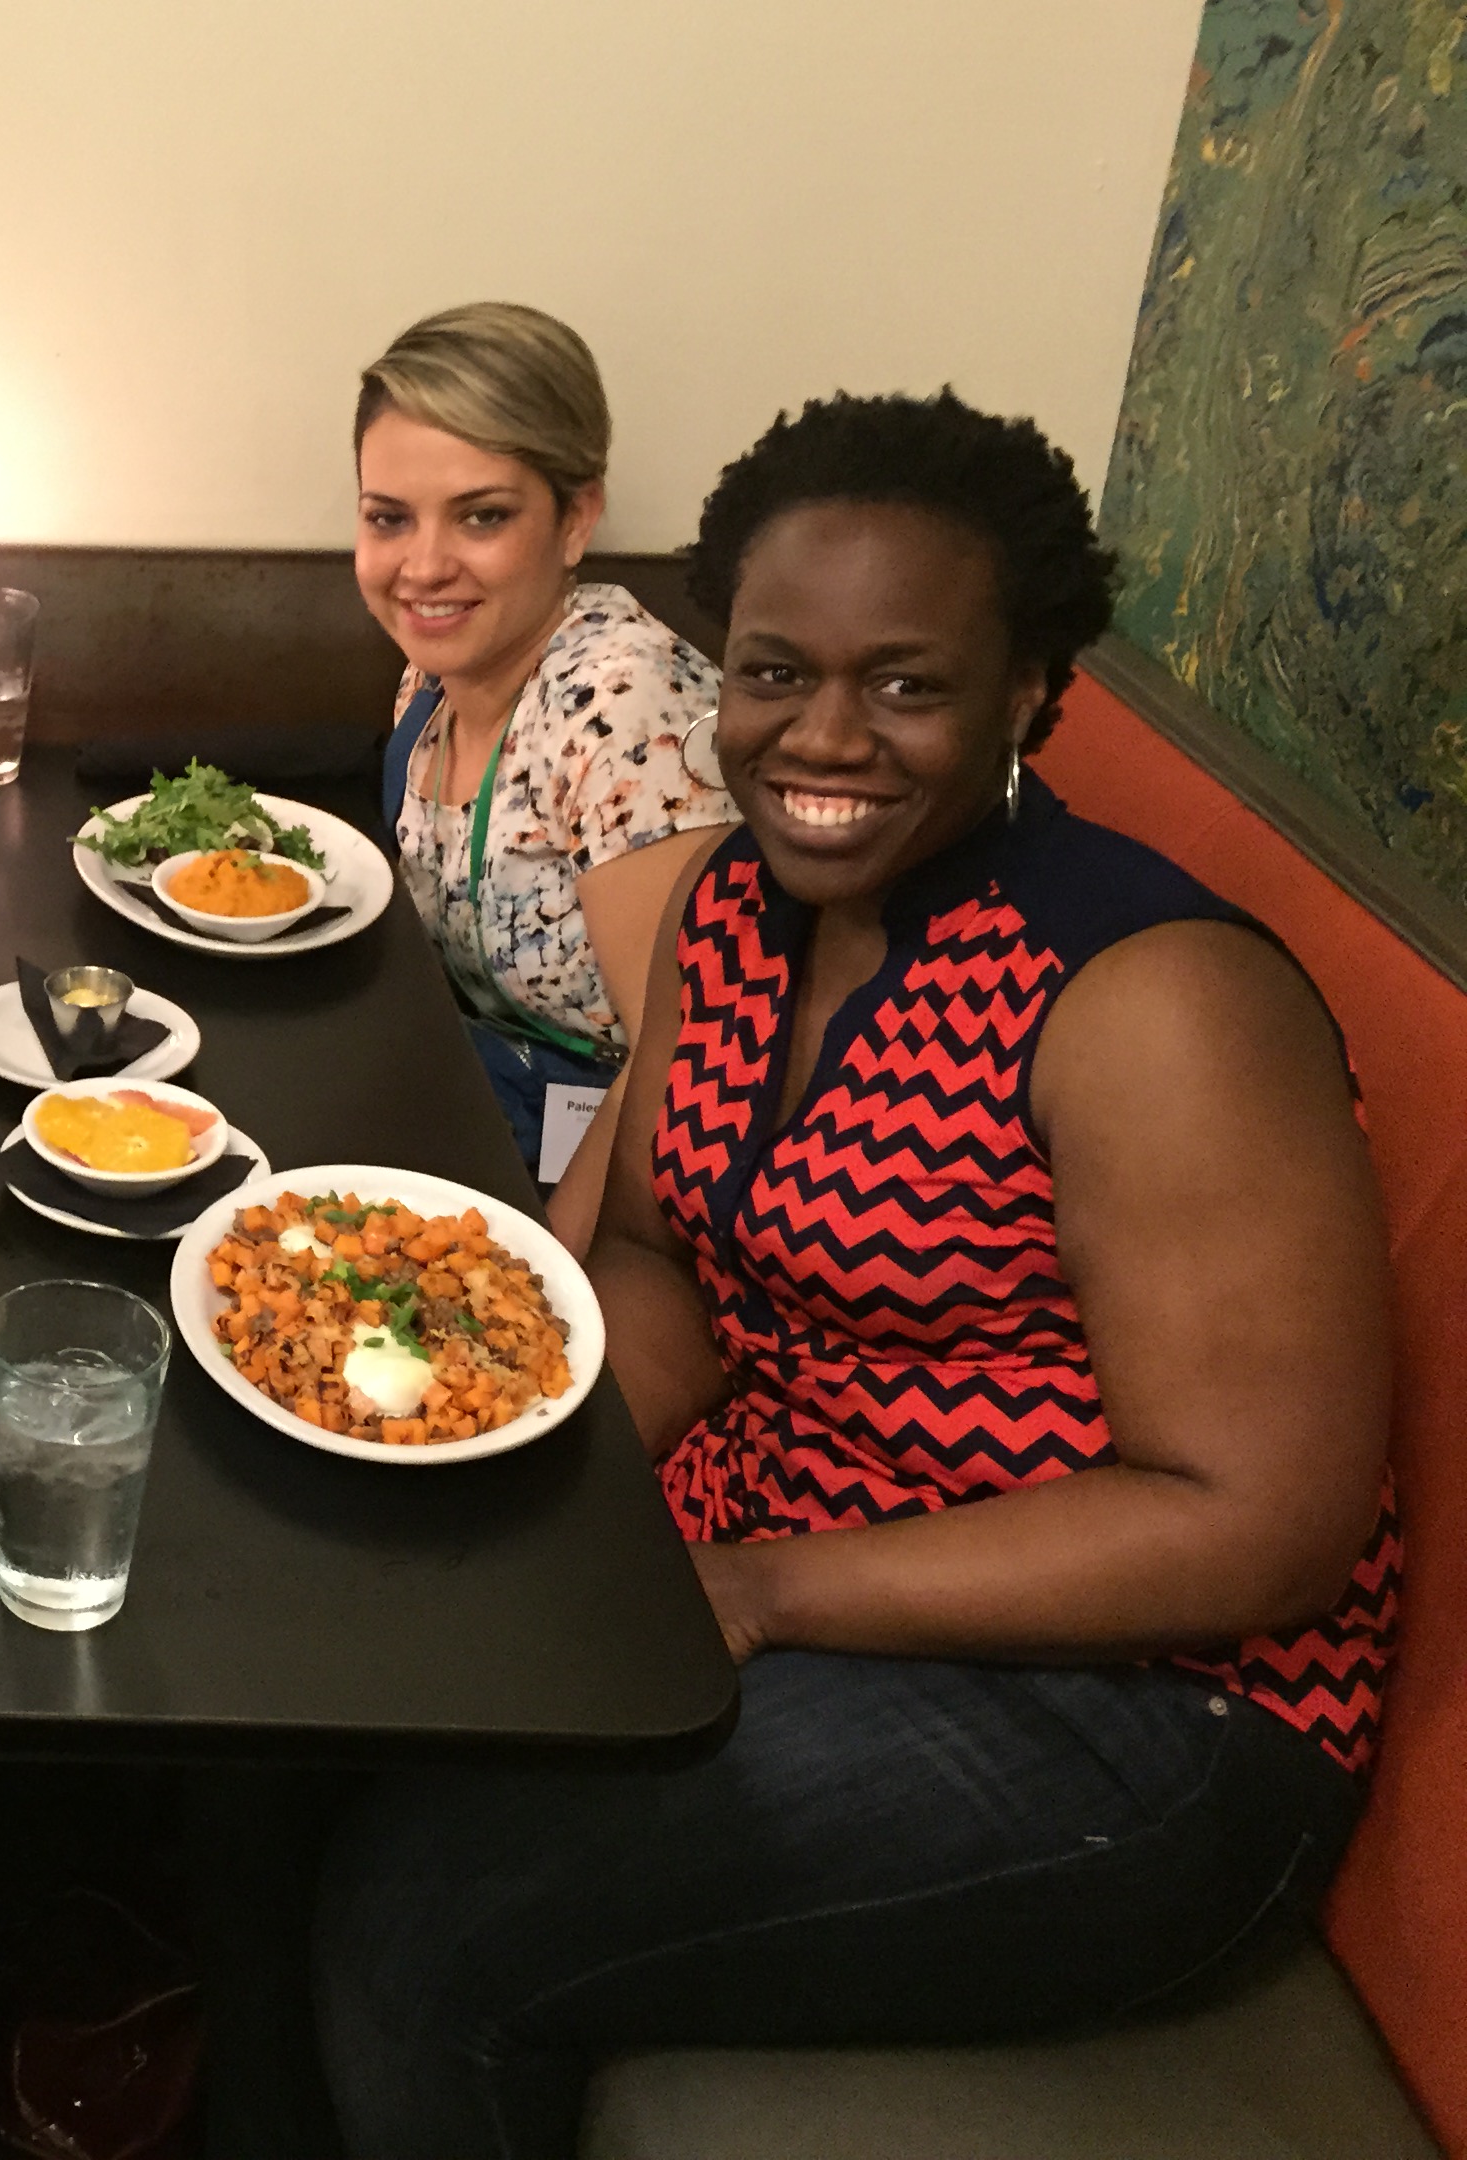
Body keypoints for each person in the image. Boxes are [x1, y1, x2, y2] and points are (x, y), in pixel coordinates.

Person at [208, 391, 1399, 2159]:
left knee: (433, 1917)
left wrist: (765, 1588)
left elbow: (1257, 1522)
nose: (823, 737)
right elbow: (656, 1266)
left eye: (904, 684)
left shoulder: (1147, 997)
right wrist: (474, 1472)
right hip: (770, 1533)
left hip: (1138, 1707)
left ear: (1025, 689)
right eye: (774, 673)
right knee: (289, 1705)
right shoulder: (732, 910)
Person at [355, 302, 736, 1241]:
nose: (423, 567)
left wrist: (543, 1287)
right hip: (485, 1115)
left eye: (482, 516)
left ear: (577, 518)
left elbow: (682, 1061)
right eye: (389, 518)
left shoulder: (625, 703)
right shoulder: (434, 676)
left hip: (634, 1187)